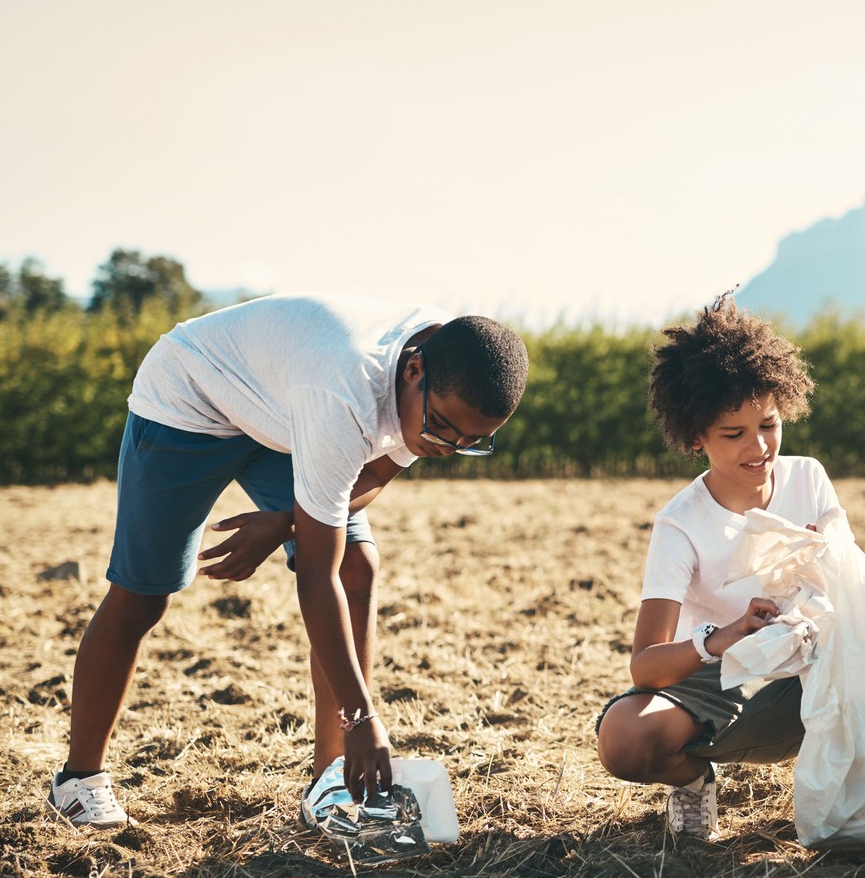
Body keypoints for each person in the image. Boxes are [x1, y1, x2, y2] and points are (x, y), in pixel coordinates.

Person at [47, 294, 528, 828]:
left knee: (358, 566)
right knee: (143, 595)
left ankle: (333, 785)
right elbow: (315, 580)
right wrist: (362, 717)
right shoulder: (348, 392)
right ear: (413, 372)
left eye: (470, 441)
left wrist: (283, 522)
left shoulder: (439, 380)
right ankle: (78, 781)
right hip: (193, 396)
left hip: (281, 409)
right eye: (442, 427)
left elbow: (369, 478)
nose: (448, 445)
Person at [594, 296, 841, 841]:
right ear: (695, 437)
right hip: (728, 680)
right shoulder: (680, 525)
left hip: (820, 663)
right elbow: (645, 668)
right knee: (624, 738)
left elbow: (852, 585)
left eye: (770, 425)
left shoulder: (809, 480)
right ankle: (691, 779)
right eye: (734, 434)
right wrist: (723, 638)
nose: (759, 448)